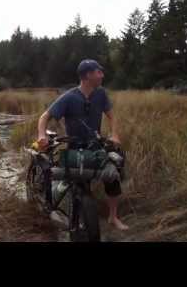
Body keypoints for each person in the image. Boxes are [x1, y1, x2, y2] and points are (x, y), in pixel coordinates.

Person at [36, 59, 129, 230]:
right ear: (88, 75)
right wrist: (42, 136)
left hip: (95, 145)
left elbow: (112, 116)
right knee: (74, 181)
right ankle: (71, 208)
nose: (102, 75)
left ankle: (113, 217)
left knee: (113, 174)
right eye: (98, 72)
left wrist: (114, 134)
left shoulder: (101, 94)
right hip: (75, 146)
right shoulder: (69, 97)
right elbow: (44, 117)